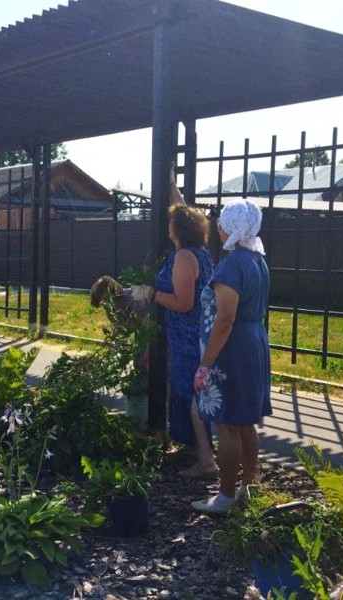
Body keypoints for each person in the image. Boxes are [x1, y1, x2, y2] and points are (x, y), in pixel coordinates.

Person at [191, 198, 271, 513]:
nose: (218, 226)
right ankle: (249, 487)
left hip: (232, 348)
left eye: (222, 221)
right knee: (245, 420)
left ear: (232, 226)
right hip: (254, 342)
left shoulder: (231, 265)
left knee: (226, 423)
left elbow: (224, 320)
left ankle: (225, 495)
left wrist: (206, 363)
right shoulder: (257, 260)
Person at [148, 164, 217, 478]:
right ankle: (191, 448)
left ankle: (206, 460)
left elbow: (184, 302)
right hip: (191, 335)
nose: (168, 223)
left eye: (172, 221)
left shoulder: (185, 258)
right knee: (187, 392)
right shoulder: (201, 250)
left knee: (192, 396)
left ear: (178, 230)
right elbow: (184, 209)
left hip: (189, 337)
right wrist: (172, 183)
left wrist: (152, 295)